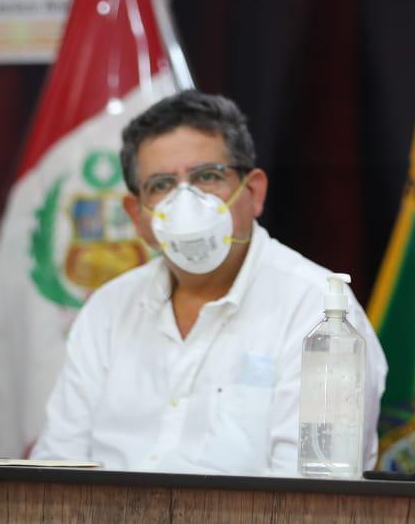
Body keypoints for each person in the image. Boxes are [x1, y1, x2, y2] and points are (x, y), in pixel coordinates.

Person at [32, 90, 388, 474]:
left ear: (253, 192)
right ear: (137, 216)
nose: (186, 202)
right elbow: (56, 469)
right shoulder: (108, 309)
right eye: (162, 185)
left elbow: (311, 494)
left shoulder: (318, 311)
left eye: (206, 177)